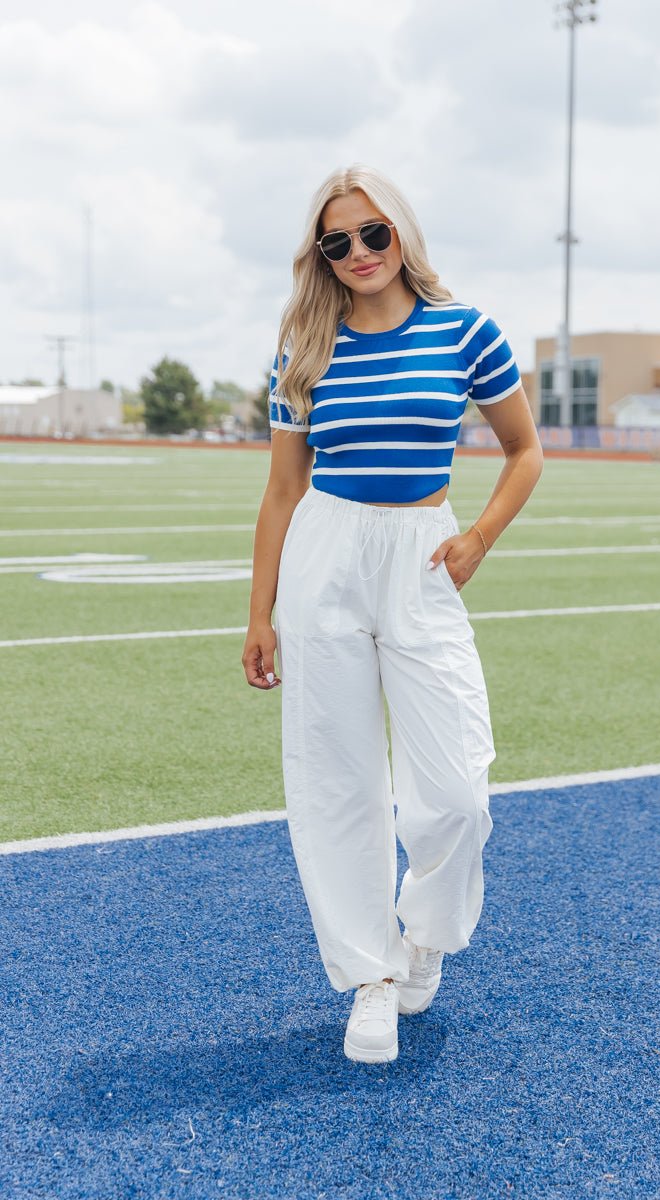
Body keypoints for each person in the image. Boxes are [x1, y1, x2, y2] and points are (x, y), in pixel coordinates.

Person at [243, 164, 543, 1064]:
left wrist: (480, 537)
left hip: (422, 554)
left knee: (454, 792)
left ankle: (424, 939)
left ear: (402, 234)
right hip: (324, 557)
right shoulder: (303, 346)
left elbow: (524, 451)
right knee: (337, 780)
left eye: (374, 233)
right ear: (321, 255)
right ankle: (371, 976)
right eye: (338, 241)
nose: (360, 253)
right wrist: (259, 615)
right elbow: (282, 489)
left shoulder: (466, 332)